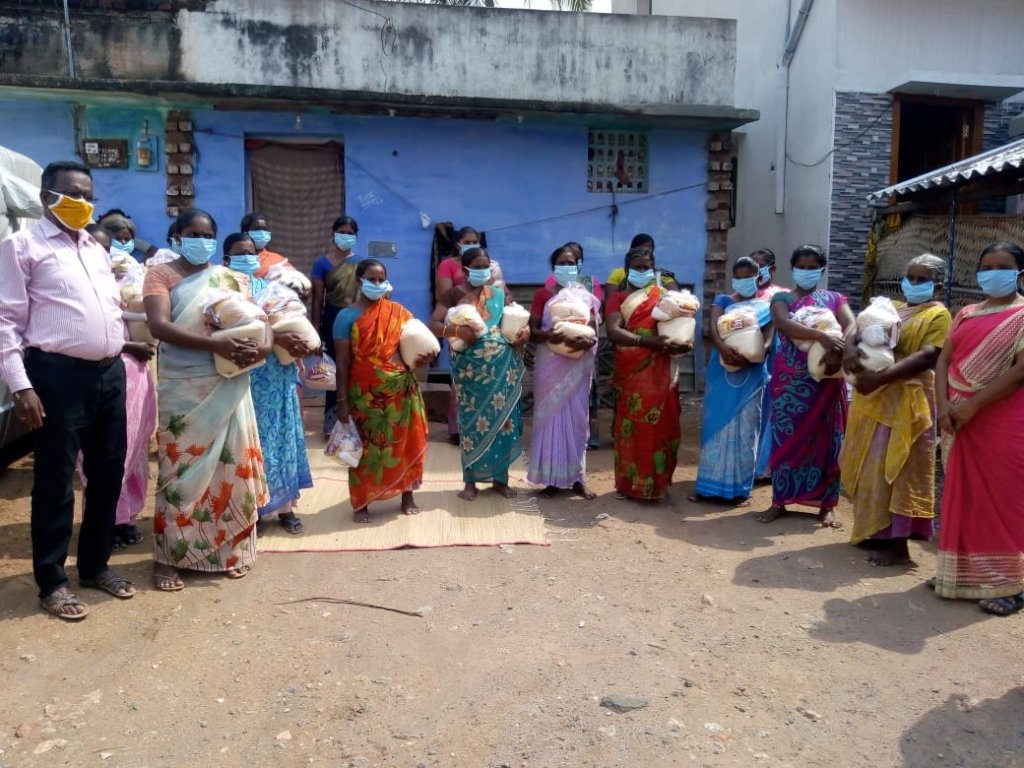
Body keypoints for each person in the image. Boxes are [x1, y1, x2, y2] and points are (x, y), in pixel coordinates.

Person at [0, 160, 137, 620]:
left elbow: (104, 308)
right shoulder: (21, 246)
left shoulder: (95, 248)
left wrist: (123, 343)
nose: (81, 203)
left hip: (108, 375)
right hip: (56, 378)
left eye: (87, 195)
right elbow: (6, 322)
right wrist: (21, 386)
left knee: (107, 473)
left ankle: (95, 565)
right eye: (71, 194)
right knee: (55, 482)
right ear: (46, 197)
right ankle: (52, 582)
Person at [143, 208, 271, 591]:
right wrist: (217, 343)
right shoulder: (160, 274)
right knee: (180, 471)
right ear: (178, 237)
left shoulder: (230, 277)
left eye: (209, 234)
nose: (202, 240)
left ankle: (234, 551)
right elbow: (159, 326)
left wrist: (260, 350)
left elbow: (261, 323)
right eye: (193, 233)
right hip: (184, 386)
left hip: (230, 382)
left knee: (232, 470)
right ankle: (169, 558)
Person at [839, 255, 952, 565]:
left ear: (937, 285)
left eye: (921, 279)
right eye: (910, 277)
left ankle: (898, 544)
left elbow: (928, 356)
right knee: (870, 465)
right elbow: (857, 327)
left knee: (899, 468)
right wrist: (849, 349)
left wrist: (879, 379)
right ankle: (875, 531)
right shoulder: (894, 308)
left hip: (906, 402)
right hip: (873, 398)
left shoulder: (939, 316)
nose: (913, 284)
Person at [932, 242, 1024, 615]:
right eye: (986, 266)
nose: (992, 272)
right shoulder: (967, 312)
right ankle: (961, 574)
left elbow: (1020, 371)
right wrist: (943, 406)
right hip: (956, 416)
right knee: (962, 493)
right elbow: (943, 360)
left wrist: (971, 405)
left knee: (1003, 500)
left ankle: (1013, 583)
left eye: (1003, 266)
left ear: (1019, 272)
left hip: (1001, 419)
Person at [756, 245, 854, 528]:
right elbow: (782, 323)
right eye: (802, 265)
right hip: (791, 381)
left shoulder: (834, 298)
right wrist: (821, 336)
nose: (807, 271)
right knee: (786, 439)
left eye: (813, 267)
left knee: (828, 441)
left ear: (822, 269)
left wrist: (843, 346)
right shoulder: (783, 298)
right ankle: (780, 501)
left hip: (826, 379)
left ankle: (827, 506)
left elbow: (851, 324)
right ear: (793, 267)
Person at [224, 233, 313, 535]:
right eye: (240, 253)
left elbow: (294, 322)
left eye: (252, 253)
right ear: (226, 259)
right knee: (248, 441)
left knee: (282, 437)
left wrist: (296, 343)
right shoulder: (220, 292)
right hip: (241, 375)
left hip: (277, 375)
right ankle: (254, 509)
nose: (248, 258)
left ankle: (285, 507)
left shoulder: (273, 290)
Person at [335, 259, 435, 522]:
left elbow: (410, 348)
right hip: (364, 395)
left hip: (401, 392)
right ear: (359, 281)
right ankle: (361, 503)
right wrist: (342, 401)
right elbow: (343, 362)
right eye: (372, 279)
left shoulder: (398, 313)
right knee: (367, 448)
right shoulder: (346, 317)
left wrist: (422, 359)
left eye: (381, 279)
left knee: (405, 444)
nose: (377, 284)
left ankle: (407, 495)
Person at [429, 247, 530, 501]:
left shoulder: (499, 293)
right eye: (477, 266)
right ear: (465, 269)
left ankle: (500, 479)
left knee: (503, 424)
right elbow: (434, 323)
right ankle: (471, 482)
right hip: (469, 373)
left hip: (501, 370)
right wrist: (455, 332)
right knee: (472, 425)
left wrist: (524, 333)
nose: (483, 270)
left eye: (487, 266)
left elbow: (517, 320)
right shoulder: (453, 294)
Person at [87, 223, 158, 550]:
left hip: (136, 379)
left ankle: (127, 516)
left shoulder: (133, 281)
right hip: (99, 374)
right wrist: (129, 347)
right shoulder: (82, 287)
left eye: (112, 247)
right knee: (100, 456)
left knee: (133, 452)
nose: (107, 254)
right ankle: (105, 521)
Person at [605, 245, 689, 502]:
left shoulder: (664, 297)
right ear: (627, 270)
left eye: (646, 268)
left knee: (664, 426)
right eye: (637, 268)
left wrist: (680, 342)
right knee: (632, 428)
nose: (642, 272)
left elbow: (682, 324)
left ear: (654, 270)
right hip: (633, 374)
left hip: (662, 372)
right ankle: (629, 485)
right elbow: (613, 331)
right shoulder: (618, 299)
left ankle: (658, 485)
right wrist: (647, 343)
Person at [691, 256, 775, 505]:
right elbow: (713, 328)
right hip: (723, 370)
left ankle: (740, 491)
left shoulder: (766, 306)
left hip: (752, 372)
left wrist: (757, 354)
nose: (742, 280)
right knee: (715, 425)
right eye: (737, 276)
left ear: (758, 277)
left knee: (747, 430)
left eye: (747, 276)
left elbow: (770, 336)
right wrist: (723, 348)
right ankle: (706, 488)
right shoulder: (723, 300)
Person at [527, 244, 601, 500]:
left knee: (579, 419)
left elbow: (592, 328)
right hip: (550, 364)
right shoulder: (542, 294)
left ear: (579, 266)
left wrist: (585, 341)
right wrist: (553, 335)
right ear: (553, 266)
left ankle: (578, 478)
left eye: (572, 262)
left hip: (578, 365)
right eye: (562, 262)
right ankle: (552, 480)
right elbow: (533, 331)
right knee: (549, 417)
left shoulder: (586, 296)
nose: (567, 266)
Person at [311, 215, 361, 435]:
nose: (346, 236)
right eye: (342, 232)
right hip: (332, 319)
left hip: (357, 320)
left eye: (350, 233)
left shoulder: (361, 263)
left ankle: (357, 422)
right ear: (333, 234)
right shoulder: (322, 263)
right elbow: (317, 300)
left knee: (357, 369)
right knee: (335, 370)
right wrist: (315, 332)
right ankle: (333, 425)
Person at [435, 226, 480, 445]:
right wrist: (459, 325)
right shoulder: (448, 267)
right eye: (468, 241)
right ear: (458, 242)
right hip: (459, 330)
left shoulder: (495, 291)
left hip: (487, 343)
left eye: (476, 241)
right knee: (461, 384)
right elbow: (444, 299)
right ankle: (458, 430)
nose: (472, 244)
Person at [751, 247, 786, 478]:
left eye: (759, 266)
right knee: (752, 409)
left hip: (775, 358)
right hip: (750, 358)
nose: (755, 271)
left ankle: (766, 466)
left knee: (772, 408)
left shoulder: (781, 295)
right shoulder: (743, 294)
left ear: (771, 269)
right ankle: (750, 464)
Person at [603, 234, 676, 305]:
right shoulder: (617, 274)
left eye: (648, 250)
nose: (641, 271)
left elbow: (677, 300)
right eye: (640, 250)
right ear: (632, 251)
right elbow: (610, 302)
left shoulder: (662, 275)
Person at [240, 212, 291, 278]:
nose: (262, 233)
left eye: (265, 229)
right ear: (245, 232)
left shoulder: (278, 260)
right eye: (257, 229)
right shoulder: (236, 260)